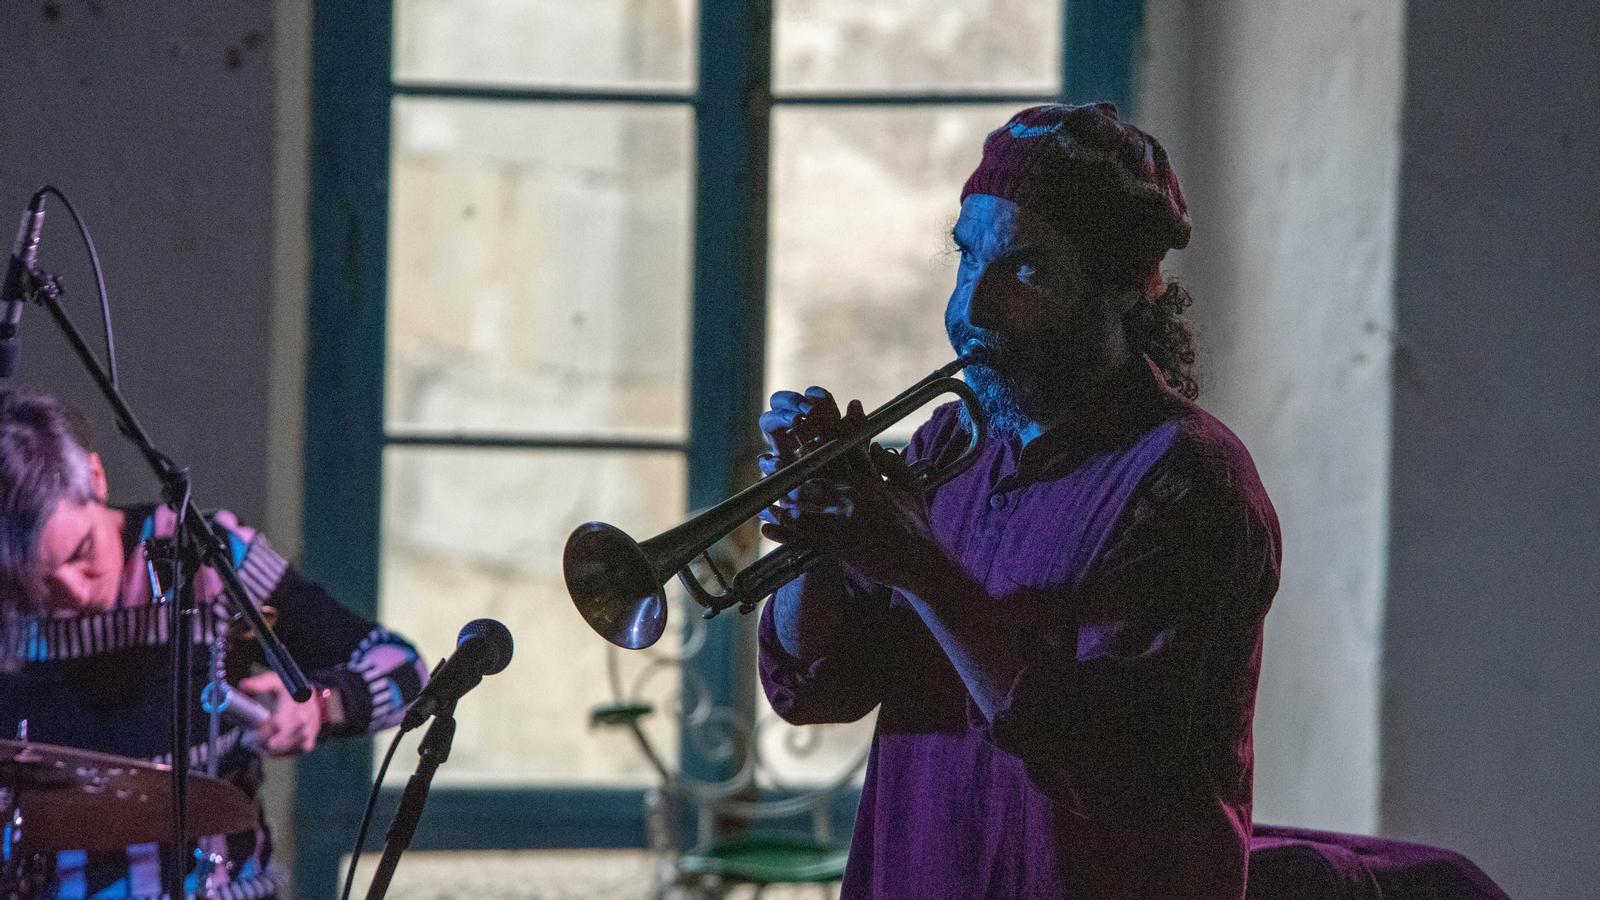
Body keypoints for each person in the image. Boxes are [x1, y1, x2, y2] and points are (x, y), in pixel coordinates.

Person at [756, 103, 1282, 899]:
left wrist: (920, 568)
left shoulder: (1190, 480)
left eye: (1027, 271)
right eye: (967, 258)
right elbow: (819, 688)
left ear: (1127, 286)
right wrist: (819, 537)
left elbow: (1104, 759)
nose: (971, 310)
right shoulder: (949, 443)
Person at [0, 390, 428, 899]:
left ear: (95, 477)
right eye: (34, 581)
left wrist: (320, 705)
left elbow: (407, 671)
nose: (73, 592)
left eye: (82, 551)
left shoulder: (205, 558)